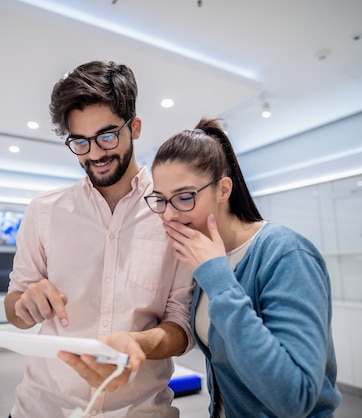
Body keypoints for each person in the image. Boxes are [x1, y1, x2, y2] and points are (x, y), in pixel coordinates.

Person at [4, 60, 195, 417]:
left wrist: (136, 345)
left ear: (134, 128)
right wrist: (23, 305)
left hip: (141, 410)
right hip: (43, 408)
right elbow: (14, 309)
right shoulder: (43, 211)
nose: (95, 153)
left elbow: (181, 325)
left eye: (107, 136)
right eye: (80, 141)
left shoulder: (172, 211)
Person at [144, 117, 342, 417]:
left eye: (184, 198)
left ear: (223, 189)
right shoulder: (203, 257)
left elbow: (295, 397)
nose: (168, 215)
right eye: (160, 199)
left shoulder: (285, 253)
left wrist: (218, 279)